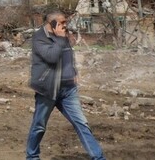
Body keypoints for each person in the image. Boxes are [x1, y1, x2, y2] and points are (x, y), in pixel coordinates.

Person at [26, 12, 106, 160]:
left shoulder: (64, 36)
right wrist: (60, 39)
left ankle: (98, 158)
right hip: (48, 90)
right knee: (39, 126)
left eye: (65, 22)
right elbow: (51, 57)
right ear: (52, 24)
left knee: (81, 123)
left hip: (68, 90)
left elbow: (68, 57)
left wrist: (73, 73)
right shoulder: (39, 38)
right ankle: (32, 157)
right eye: (62, 23)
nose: (65, 25)